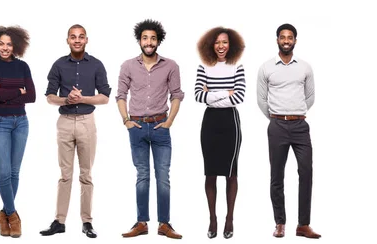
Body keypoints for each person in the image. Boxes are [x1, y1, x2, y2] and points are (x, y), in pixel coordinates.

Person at [39, 24, 111, 239]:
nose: (77, 40)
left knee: (86, 174)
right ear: (67, 40)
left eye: (81, 37)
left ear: (86, 40)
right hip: (65, 122)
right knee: (65, 175)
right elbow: (50, 96)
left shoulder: (96, 65)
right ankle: (59, 221)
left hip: (87, 122)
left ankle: (87, 222)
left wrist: (83, 98)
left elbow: (105, 97)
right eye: (73, 37)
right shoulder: (58, 65)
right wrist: (66, 99)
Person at [116, 19, 184, 239]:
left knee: (163, 176)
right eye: (145, 38)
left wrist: (170, 121)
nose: (149, 42)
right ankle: (141, 223)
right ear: (139, 40)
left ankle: (164, 224)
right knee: (142, 175)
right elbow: (120, 95)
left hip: (160, 126)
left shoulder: (171, 65)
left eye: (153, 38)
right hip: (136, 127)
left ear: (158, 41)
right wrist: (126, 120)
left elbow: (176, 95)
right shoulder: (127, 66)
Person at [257, 23, 321, 239]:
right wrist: (278, 116)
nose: (286, 41)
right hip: (277, 126)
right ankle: (280, 223)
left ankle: (303, 224)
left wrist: (295, 113)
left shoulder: (305, 67)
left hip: (300, 126)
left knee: (306, 173)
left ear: (295, 40)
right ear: (277, 40)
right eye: (282, 37)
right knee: (276, 176)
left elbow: (310, 97)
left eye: (290, 37)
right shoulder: (267, 67)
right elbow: (262, 99)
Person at [0, 25, 36, 238]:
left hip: (21, 122)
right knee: (4, 173)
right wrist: (18, 90)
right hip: (0, 123)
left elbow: (31, 96)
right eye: (1, 44)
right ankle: (13, 215)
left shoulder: (23, 66)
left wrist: (6, 92)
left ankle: (3, 214)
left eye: (9, 44)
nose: (5, 48)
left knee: (15, 172)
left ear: (16, 45)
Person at [194, 26, 246, 239]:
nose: (221, 46)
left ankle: (229, 218)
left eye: (224, 42)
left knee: (231, 172)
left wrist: (212, 94)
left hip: (230, 121)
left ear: (230, 44)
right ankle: (213, 218)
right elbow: (198, 95)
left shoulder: (237, 66)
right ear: (211, 45)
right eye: (217, 42)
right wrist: (226, 91)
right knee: (210, 172)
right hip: (210, 122)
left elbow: (239, 97)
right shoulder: (203, 66)